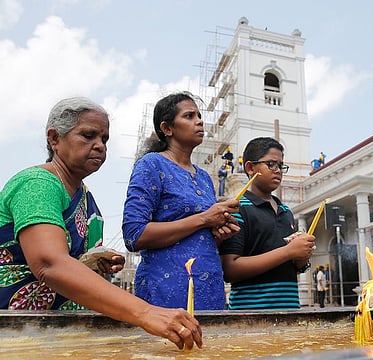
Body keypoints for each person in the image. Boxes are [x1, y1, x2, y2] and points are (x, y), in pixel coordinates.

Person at [0, 97, 202, 350]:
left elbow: (66, 261)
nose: (99, 146)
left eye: (104, 139)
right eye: (88, 135)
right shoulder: (37, 184)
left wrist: (92, 260)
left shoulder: (85, 197)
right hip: (15, 332)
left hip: (61, 335)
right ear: (54, 138)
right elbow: (49, 263)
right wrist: (145, 312)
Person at [122, 92, 240, 311]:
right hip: (166, 290)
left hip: (209, 286)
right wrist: (204, 219)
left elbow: (199, 237)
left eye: (199, 115)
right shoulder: (151, 165)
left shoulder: (204, 177)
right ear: (167, 128)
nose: (200, 121)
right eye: (189, 116)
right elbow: (133, 234)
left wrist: (220, 234)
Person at [219, 137, 315, 309]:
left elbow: (291, 266)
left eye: (281, 165)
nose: (278, 170)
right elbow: (230, 269)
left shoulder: (286, 212)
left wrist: (301, 258)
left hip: (290, 310)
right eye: (271, 164)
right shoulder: (238, 209)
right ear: (249, 167)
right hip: (251, 316)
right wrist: (287, 252)